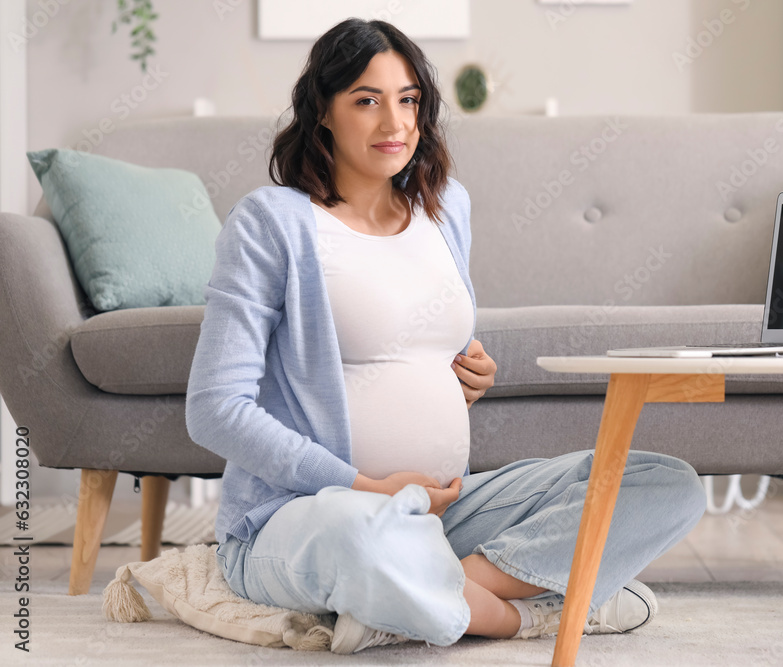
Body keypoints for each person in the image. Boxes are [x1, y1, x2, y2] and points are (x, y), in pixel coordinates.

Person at [185, 17, 706, 655]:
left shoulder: (445, 205)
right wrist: (365, 488)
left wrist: (465, 372)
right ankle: (526, 614)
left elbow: (416, 343)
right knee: (365, 540)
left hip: (445, 509)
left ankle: (438, 588)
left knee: (666, 481)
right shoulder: (272, 222)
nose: (394, 123)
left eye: (408, 100)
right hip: (311, 512)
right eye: (366, 101)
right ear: (322, 111)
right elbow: (214, 409)